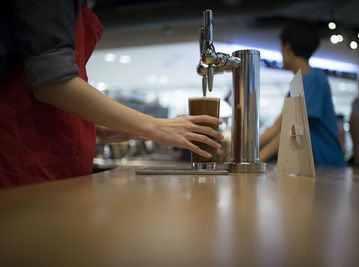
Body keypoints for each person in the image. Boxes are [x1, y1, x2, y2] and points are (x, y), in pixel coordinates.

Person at [0, 0, 223, 187]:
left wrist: (94, 127)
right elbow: (52, 83)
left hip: (56, 164)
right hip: (25, 161)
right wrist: (156, 126)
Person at [260, 21, 346, 166]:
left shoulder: (314, 79)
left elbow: (289, 131)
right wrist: (246, 153)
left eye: (281, 48)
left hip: (329, 166)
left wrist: (257, 159)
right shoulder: (298, 85)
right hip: (317, 167)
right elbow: (277, 127)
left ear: (287, 48)